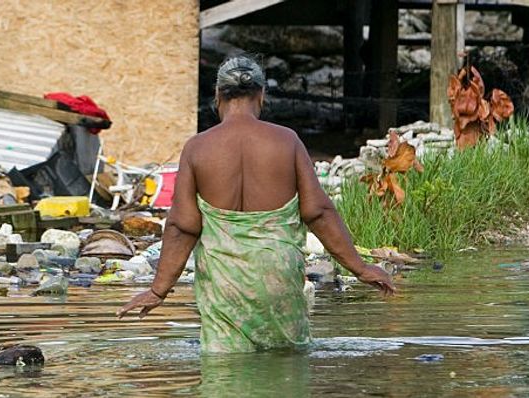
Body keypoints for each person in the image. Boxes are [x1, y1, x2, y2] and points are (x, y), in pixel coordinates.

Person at [116, 55, 397, 353]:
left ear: (217, 95)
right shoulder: (287, 141)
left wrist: (159, 289)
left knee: (224, 369)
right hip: (278, 276)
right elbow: (319, 211)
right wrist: (360, 268)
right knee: (287, 361)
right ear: (261, 95)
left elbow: (182, 225)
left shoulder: (197, 148)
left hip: (224, 285)